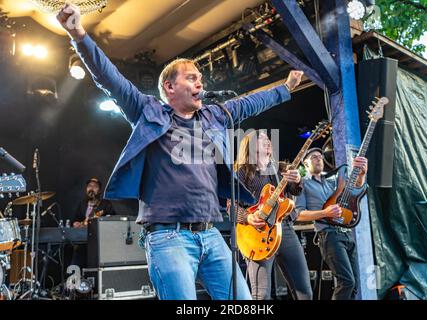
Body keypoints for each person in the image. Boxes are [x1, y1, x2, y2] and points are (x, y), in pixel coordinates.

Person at [57, 3, 303, 300]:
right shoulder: (149, 112)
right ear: (169, 87)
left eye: (201, 78)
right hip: (167, 236)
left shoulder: (214, 116)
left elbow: (249, 103)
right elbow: (110, 79)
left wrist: (285, 89)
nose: (200, 82)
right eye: (191, 78)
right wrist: (79, 35)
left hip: (211, 234)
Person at [233, 130, 313, 300]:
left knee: (304, 292)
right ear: (250, 144)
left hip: (285, 230)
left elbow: (295, 191)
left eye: (268, 138)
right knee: (261, 295)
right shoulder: (242, 171)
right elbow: (231, 205)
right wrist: (247, 217)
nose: (267, 140)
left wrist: (298, 179)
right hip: (257, 232)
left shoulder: (281, 168)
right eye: (261, 138)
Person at [295, 147, 368, 300]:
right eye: (314, 157)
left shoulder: (333, 180)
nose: (319, 158)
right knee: (347, 282)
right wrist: (325, 213)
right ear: (306, 163)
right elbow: (298, 214)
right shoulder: (303, 184)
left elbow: (355, 189)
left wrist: (362, 174)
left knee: (354, 285)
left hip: (347, 234)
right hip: (329, 235)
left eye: (320, 156)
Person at [71, 178, 115, 269]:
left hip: (99, 241)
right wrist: (76, 223)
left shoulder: (105, 204)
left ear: (99, 190)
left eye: (95, 186)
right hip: (83, 240)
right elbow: (75, 219)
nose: (91, 188)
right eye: (89, 186)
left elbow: (113, 219)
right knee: (76, 261)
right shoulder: (82, 204)